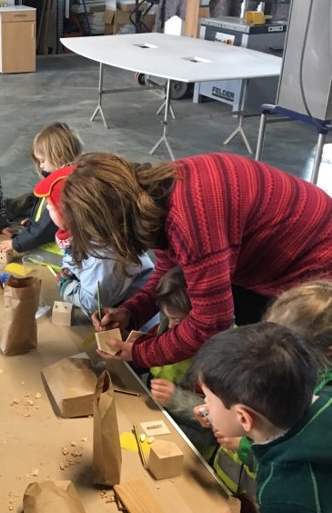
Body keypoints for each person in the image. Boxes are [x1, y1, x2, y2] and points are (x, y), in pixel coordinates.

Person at [60, 152, 332, 368]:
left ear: (116, 223)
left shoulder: (193, 218)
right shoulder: (157, 195)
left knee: (284, 361)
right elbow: (170, 266)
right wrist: (131, 312)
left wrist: (142, 353)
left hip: (315, 262)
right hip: (270, 260)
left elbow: (211, 321)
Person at [193, 323, 332, 513]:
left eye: (207, 399)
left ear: (244, 418)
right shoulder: (323, 399)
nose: (204, 406)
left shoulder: (288, 495)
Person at [207, 279, 332, 494]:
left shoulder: (320, 403)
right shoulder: (271, 363)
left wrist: (243, 445)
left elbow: (297, 460)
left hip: (264, 488)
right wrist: (217, 407)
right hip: (228, 477)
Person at [33, 165, 153, 319]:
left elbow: (94, 303)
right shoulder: (86, 231)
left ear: (71, 215)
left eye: (50, 207)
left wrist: (68, 287)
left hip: (127, 324)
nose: (47, 211)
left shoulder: (103, 256)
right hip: (111, 309)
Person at [147, 267, 216, 451]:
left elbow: (219, 416)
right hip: (157, 420)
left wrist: (177, 400)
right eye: (167, 317)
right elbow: (146, 353)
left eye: (177, 320)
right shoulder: (166, 327)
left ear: (199, 318)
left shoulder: (218, 357)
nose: (170, 326)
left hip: (191, 446)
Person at [0, 122, 83, 258]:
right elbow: (44, 209)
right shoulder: (71, 175)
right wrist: (33, 220)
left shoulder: (62, 185)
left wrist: (16, 243)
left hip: (61, 254)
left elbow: (46, 228)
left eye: (42, 161)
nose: (41, 166)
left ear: (58, 155)